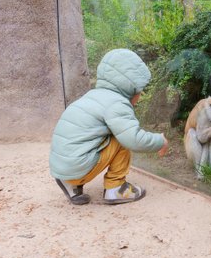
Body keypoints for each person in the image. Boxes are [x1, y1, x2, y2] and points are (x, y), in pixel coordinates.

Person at [49, 49, 169, 205]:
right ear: (131, 87)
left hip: (61, 166)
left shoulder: (92, 95)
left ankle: (70, 183)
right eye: (140, 90)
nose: (141, 95)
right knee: (121, 138)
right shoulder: (117, 103)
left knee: (104, 135)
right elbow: (133, 139)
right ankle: (116, 188)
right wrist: (160, 141)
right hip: (77, 167)